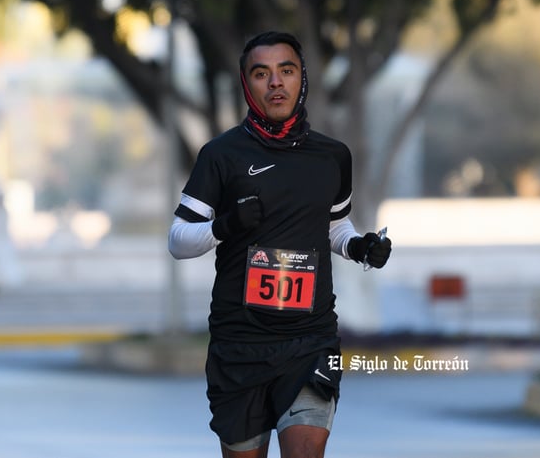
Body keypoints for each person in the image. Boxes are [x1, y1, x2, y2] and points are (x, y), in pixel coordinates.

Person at [168, 31, 392, 458]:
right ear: (246, 84)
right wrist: (225, 225)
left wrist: (360, 248)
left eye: (286, 71)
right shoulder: (221, 155)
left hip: (311, 339)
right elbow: (178, 240)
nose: (275, 82)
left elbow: (334, 226)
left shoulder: (332, 156)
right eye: (261, 73)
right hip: (240, 343)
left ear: (301, 78)